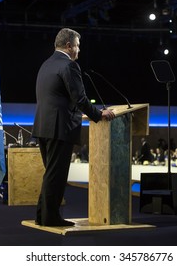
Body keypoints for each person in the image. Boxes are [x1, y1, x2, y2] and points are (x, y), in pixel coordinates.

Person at [31, 28, 115, 227]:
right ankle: (50, 218)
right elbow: (80, 98)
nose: (79, 50)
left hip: (43, 127)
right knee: (56, 175)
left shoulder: (46, 64)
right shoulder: (69, 66)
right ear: (69, 46)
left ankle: (42, 215)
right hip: (60, 128)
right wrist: (98, 114)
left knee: (50, 173)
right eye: (77, 46)